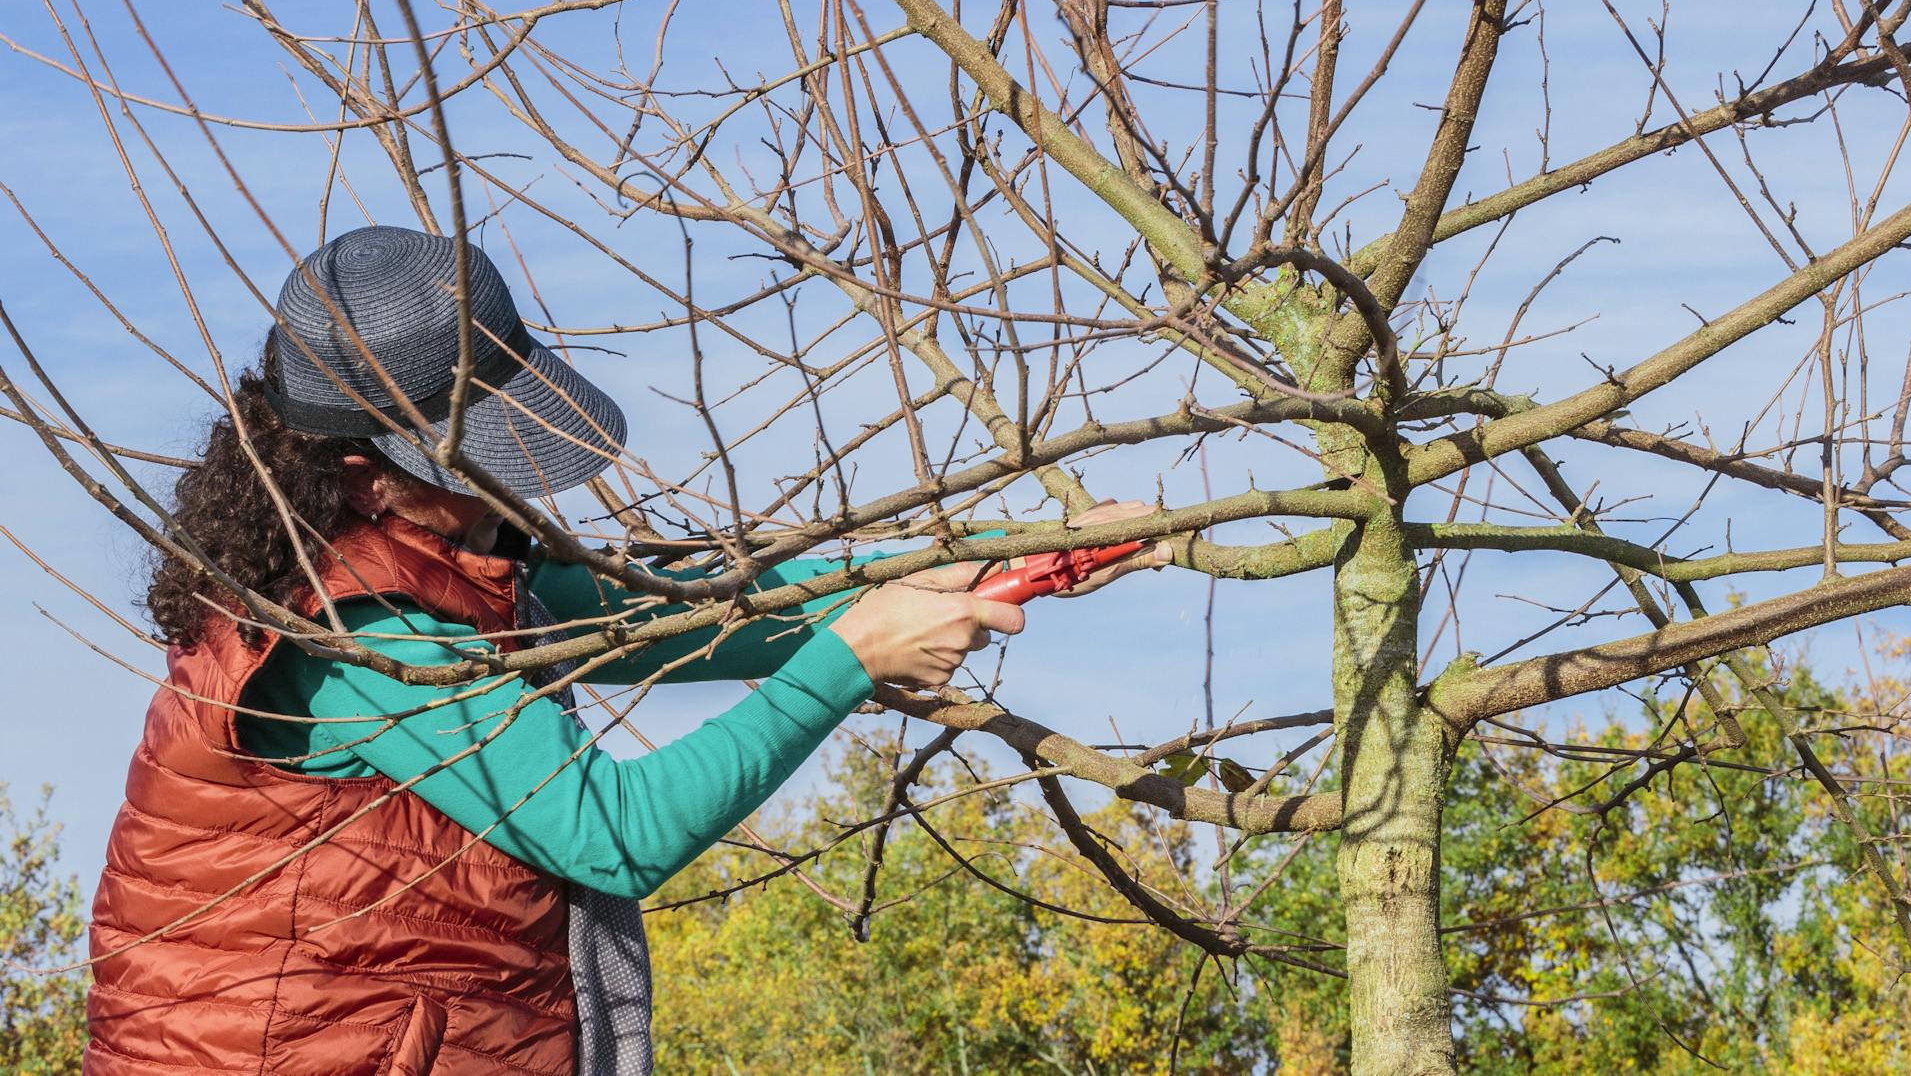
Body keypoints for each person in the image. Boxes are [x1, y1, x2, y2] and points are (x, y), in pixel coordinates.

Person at [82, 225, 1167, 1075]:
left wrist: (1006, 553)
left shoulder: (445, 556)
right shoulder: (356, 634)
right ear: (366, 471)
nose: (509, 474)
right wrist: (851, 658)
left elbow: (687, 609)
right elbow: (614, 830)